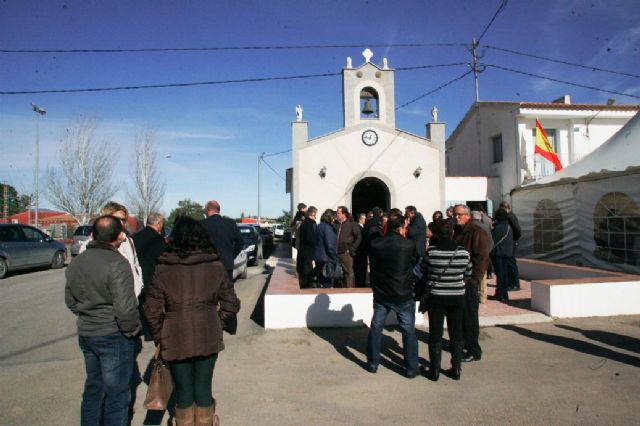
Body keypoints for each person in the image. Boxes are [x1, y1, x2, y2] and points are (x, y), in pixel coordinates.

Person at [144, 216, 240, 426]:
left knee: (184, 391)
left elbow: (151, 310)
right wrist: (217, 322)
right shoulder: (215, 266)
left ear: (175, 238)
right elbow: (231, 304)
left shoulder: (163, 268)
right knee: (203, 388)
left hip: (175, 336)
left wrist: (162, 333)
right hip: (208, 334)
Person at [65, 215, 141, 426]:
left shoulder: (77, 261)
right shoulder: (117, 263)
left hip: (88, 333)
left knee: (93, 389)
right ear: (119, 236)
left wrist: (88, 315)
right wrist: (131, 330)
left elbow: (70, 300)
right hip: (112, 335)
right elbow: (126, 310)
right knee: (116, 395)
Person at [366, 211, 419, 378]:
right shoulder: (408, 245)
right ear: (402, 228)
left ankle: (373, 363)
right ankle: (411, 367)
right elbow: (415, 262)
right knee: (408, 329)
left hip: (382, 292)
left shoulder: (376, 244)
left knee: (376, 327)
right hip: (402, 293)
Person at [420, 219, 472, 381]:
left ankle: (434, 370)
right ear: (452, 233)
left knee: (435, 333)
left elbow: (423, 271)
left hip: (436, 297)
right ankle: (456, 368)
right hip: (457, 297)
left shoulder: (432, 252)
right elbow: (468, 273)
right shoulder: (463, 252)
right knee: (456, 332)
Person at [453, 204, 492, 363]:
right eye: (455, 214)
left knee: (469, 316)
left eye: (459, 214)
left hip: (469, 281)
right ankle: (462, 343)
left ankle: (473, 349)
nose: (456, 217)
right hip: (459, 280)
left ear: (468, 216)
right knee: (461, 315)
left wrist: (474, 279)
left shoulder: (476, 232)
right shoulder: (458, 231)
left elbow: (482, 258)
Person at [79, 201, 144, 297]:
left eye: (123, 220)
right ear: (105, 219)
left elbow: (136, 265)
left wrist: (139, 285)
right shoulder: (90, 245)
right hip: (105, 305)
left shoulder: (128, 241)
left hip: (131, 300)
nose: (121, 223)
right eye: (117, 219)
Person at [202, 200, 244, 281]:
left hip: (207, 267)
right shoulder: (230, 223)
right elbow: (240, 243)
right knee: (227, 292)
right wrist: (231, 256)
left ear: (208, 210)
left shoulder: (202, 224)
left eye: (205, 211)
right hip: (226, 265)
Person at [491, 209, 515, 302]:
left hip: (499, 253)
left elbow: (492, 239)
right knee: (504, 274)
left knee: (500, 275)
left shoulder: (499, 227)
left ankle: (500, 294)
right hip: (507, 253)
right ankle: (504, 293)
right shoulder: (508, 226)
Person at [471, 205, 494, 303]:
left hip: (472, 255)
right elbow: (491, 241)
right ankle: (482, 296)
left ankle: (473, 295)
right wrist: (488, 251)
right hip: (483, 254)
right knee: (482, 276)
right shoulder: (485, 226)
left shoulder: (470, 227)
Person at [335, 206, 362, 288]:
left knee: (348, 272)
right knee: (336, 273)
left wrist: (351, 249)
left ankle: (349, 290)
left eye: (338, 213)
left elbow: (359, 237)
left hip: (346, 252)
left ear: (344, 214)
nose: (337, 215)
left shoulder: (352, 224)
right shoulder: (335, 224)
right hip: (335, 252)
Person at [499, 201, 522, 291]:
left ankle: (515, 284)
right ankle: (510, 283)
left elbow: (518, 230)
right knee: (509, 263)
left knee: (511, 263)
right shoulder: (508, 216)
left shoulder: (510, 217)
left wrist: (514, 240)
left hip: (512, 242)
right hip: (510, 242)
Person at [314, 208, 338, 288]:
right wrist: (335, 258)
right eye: (334, 218)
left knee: (321, 280)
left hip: (319, 257)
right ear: (330, 217)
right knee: (327, 283)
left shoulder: (319, 225)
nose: (335, 220)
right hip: (326, 259)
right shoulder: (328, 228)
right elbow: (330, 246)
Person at [296, 206, 318, 288]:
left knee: (305, 272)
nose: (315, 217)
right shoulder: (308, 224)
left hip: (305, 252)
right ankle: (305, 288)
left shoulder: (307, 223)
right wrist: (318, 243)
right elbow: (310, 239)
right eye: (315, 215)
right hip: (307, 253)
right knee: (306, 273)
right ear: (311, 214)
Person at [354, 213, 368, 287]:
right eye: (364, 219)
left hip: (361, 251)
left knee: (362, 268)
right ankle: (360, 284)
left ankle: (361, 283)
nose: (365, 220)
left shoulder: (363, 227)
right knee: (360, 268)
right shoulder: (358, 228)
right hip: (360, 251)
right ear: (360, 219)